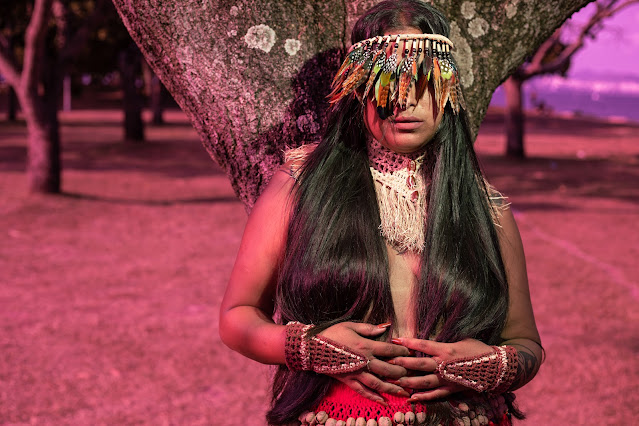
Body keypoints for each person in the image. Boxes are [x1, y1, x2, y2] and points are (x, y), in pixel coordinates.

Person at [220, 1, 543, 425]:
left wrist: (495, 366)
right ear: (358, 87)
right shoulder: (300, 186)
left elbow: (526, 342)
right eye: (386, 80)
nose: (403, 99)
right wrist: (307, 347)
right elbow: (236, 317)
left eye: (421, 80)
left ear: (447, 87)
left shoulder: (485, 208)